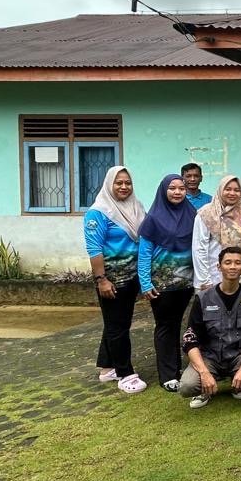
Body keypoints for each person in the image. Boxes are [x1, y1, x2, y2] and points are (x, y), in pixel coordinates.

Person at [178, 247, 241, 409]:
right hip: (210, 357)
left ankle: (239, 383)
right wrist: (203, 372)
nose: (233, 267)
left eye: (238, 263)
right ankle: (204, 388)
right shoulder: (203, 298)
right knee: (187, 386)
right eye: (228, 263)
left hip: (238, 356)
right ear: (219, 267)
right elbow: (190, 340)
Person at [84, 166, 148, 394]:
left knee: (117, 324)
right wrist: (101, 279)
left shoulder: (135, 207)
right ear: (109, 184)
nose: (123, 187)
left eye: (127, 183)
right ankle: (125, 373)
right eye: (118, 183)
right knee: (117, 326)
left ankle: (107, 368)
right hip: (111, 280)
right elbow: (94, 248)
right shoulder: (98, 212)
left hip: (131, 277)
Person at [137, 173, 198, 392]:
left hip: (186, 284)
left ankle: (175, 367)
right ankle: (167, 375)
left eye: (181, 188)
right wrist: (145, 283)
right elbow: (144, 253)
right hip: (161, 284)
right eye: (172, 188)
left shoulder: (192, 214)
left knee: (177, 324)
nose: (177, 192)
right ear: (164, 190)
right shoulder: (153, 218)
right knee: (165, 326)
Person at [192, 175, 241, 290]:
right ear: (220, 190)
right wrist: (204, 280)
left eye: (236, 190)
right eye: (227, 189)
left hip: (236, 276)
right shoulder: (206, 213)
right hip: (210, 277)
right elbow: (199, 248)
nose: (232, 193)